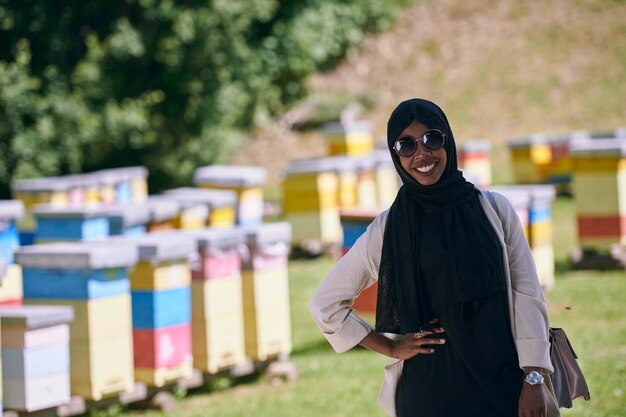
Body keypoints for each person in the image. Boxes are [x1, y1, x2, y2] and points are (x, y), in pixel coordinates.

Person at [309, 98, 559, 417]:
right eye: (406, 145)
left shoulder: (494, 210)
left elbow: (527, 295)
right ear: (395, 154)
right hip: (431, 392)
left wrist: (534, 377)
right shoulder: (388, 229)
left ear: (448, 141)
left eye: (432, 138)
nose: (421, 154)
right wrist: (389, 346)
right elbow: (325, 304)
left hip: (505, 385)